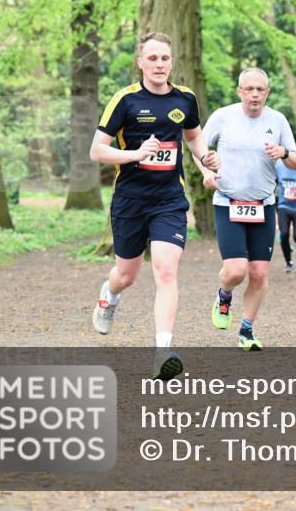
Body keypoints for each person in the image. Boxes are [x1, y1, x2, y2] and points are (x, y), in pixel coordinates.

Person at [89, 31, 220, 380]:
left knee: (166, 271)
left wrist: (206, 165)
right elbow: (97, 150)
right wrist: (135, 154)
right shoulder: (125, 100)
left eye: (165, 58)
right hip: (130, 200)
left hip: (168, 200)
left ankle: (163, 351)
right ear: (141, 62)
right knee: (126, 275)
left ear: (171, 61)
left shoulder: (185, 99)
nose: (159, 64)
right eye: (153, 58)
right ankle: (109, 296)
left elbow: (193, 137)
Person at [203, 67, 296, 351]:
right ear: (240, 91)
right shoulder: (223, 116)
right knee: (235, 271)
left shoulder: (278, 120)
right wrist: (206, 173)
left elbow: (295, 159)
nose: (255, 94)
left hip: (263, 205)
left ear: (267, 92)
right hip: (228, 203)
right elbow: (199, 148)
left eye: (260, 89)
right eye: (249, 89)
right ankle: (224, 295)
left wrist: (282, 153)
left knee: (258, 273)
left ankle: (246, 330)